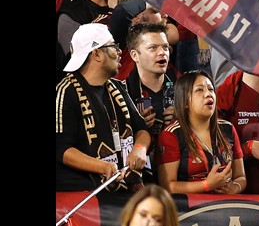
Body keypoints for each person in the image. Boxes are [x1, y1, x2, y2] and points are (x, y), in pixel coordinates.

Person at [56, 23, 152, 193]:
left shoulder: (117, 87)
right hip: (89, 196)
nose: (120, 51)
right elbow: (62, 149)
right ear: (97, 54)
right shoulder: (66, 92)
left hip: (127, 189)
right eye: (113, 46)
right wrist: (102, 166)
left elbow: (141, 129)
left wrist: (139, 149)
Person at [155, 70, 247, 195]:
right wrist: (206, 185)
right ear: (185, 101)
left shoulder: (228, 128)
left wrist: (235, 188)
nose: (208, 94)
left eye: (211, 89)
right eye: (199, 90)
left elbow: (241, 177)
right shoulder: (171, 134)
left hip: (225, 207)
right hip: (189, 211)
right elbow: (168, 186)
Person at [121, 22, 176, 182]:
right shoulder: (121, 92)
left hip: (177, 175)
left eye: (165, 47)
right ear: (134, 55)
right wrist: (136, 126)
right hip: (139, 176)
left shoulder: (184, 89)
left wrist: (183, 120)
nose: (162, 53)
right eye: (153, 48)